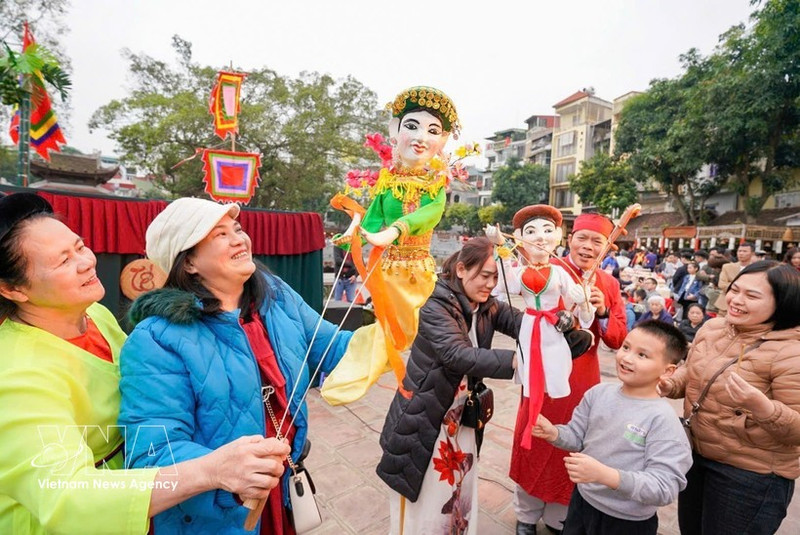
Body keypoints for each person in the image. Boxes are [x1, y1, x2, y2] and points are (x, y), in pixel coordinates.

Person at [0, 193, 289, 535]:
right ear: (12, 289)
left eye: (80, 247)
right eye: (63, 261)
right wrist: (210, 470)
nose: (86, 262)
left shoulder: (94, 315)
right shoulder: (15, 377)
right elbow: (67, 497)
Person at [118, 197, 352, 534]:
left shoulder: (276, 296)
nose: (239, 240)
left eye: (238, 229)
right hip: (212, 512)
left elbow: (333, 347)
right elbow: (153, 451)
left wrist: (394, 329)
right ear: (188, 263)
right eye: (220, 235)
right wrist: (224, 470)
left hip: (277, 491)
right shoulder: (156, 339)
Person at [321, 85, 461, 405]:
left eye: (433, 131)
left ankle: (424, 381)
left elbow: (431, 213)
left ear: (442, 140)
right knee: (387, 329)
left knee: (416, 329)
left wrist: (396, 230)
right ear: (394, 130)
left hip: (419, 271)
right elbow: (371, 220)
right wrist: (354, 234)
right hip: (389, 271)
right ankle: (365, 368)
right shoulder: (387, 182)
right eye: (412, 126)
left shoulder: (435, 184)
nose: (421, 138)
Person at [376, 237, 521, 534]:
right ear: (461, 269)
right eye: (485, 275)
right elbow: (457, 355)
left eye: (496, 277)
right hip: (428, 416)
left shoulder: (486, 305)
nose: (491, 284)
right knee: (430, 497)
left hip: (461, 417)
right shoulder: (434, 304)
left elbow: (522, 322)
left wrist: (562, 327)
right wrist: (515, 361)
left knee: (460, 488)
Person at [660, 261, 800, 535]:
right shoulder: (713, 328)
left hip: (749, 476)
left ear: (783, 303)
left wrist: (763, 408)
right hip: (696, 455)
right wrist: (670, 384)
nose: (736, 300)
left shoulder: (791, 354)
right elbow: (692, 371)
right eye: (735, 290)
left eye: (752, 296)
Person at [511, 213, 628, 535]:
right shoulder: (545, 268)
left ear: (607, 246)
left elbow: (617, 338)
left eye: (597, 241)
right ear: (569, 239)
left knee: (572, 444)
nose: (588, 247)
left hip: (582, 379)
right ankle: (526, 514)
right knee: (533, 437)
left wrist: (602, 310)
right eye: (582, 238)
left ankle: (558, 516)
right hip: (543, 372)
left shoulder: (609, 284)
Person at [534, 321, 692, 535]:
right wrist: (554, 432)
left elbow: (664, 487)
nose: (627, 358)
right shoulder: (598, 394)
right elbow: (578, 437)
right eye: (626, 347)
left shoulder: (662, 420)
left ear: (667, 371)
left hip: (627, 520)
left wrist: (606, 475)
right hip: (583, 500)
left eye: (642, 355)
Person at [490, 205, 595, 450]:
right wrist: (500, 247)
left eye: (547, 230)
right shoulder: (519, 272)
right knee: (530, 368)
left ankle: (547, 406)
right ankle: (532, 412)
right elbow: (503, 287)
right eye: (531, 232)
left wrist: (583, 300)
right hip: (529, 326)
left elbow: (586, 318)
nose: (540, 237)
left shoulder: (559, 272)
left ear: (557, 236)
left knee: (555, 365)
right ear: (520, 238)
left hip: (552, 328)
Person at [714, 241, 756, 315]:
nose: (741, 253)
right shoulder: (727, 267)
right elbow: (722, 285)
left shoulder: (757, 269)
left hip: (746, 306)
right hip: (725, 305)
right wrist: (744, 287)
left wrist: (733, 285)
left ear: (752, 253)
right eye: (739, 251)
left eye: (744, 251)